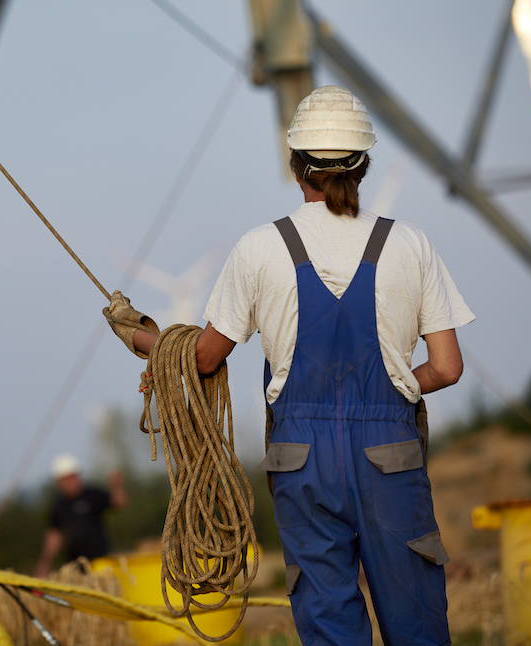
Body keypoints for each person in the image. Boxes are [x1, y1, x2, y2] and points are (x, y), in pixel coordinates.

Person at [103, 85, 474, 645]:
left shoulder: (259, 248)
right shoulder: (410, 245)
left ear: (296, 165)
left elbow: (202, 358)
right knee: (416, 619)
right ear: (364, 165)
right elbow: (445, 367)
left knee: (328, 620)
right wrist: (397, 385)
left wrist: (145, 338)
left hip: (301, 459)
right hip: (390, 457)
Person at [34, 454, 128, 576]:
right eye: (66, 479)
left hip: (101, 563)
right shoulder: (58, 505)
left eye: (73, 477)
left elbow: (119, 503)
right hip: (75, 568)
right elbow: (54, 537)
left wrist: (116, 485)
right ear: (59, 482)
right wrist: (44, 564)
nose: (71, 482)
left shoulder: (93, 494)